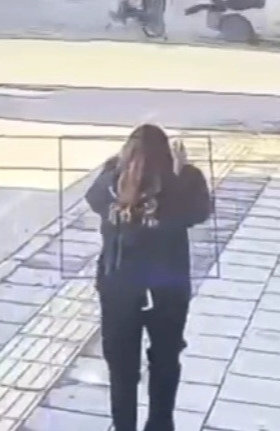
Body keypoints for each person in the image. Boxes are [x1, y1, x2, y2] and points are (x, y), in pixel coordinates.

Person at [86, 124, 212, 431]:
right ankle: (160, 424)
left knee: (121, 368)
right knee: (165, 360)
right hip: (168, 288)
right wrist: (182, 171)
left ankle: (124, 426)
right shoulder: (183, 181)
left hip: (119, 287)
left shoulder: (111, 179)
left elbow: (93, 199)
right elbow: (199, 212)